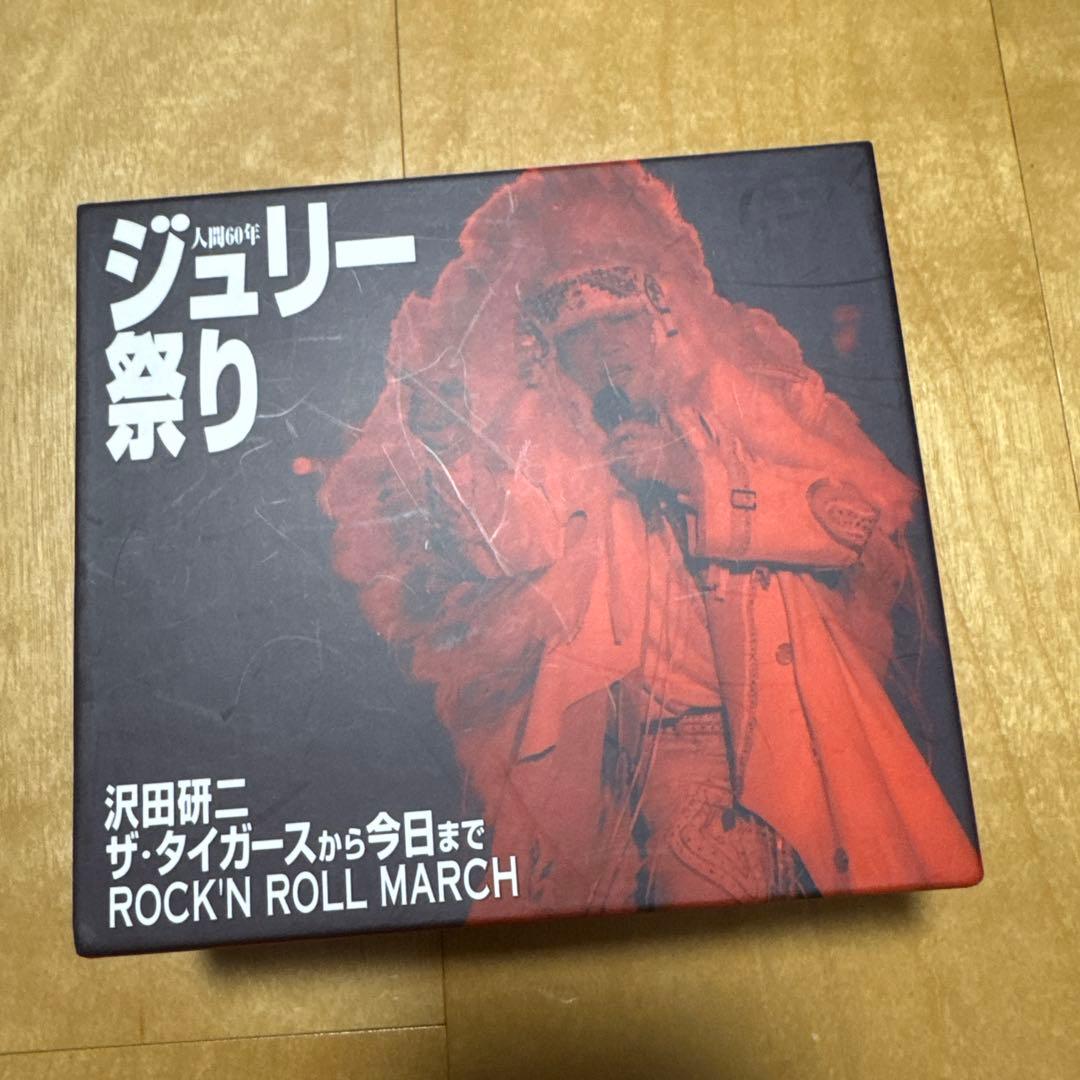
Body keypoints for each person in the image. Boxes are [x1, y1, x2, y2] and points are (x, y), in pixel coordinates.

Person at [308, 161, 982, 919]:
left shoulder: (732, 420)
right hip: (652, 762)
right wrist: (448, 448)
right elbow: (502, 547)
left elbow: (857, 519)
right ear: (554, 355)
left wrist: (697, 481)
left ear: (657, 320)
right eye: (581, 335)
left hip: (780, 738)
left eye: (619, 323)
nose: (607, 350)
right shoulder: (566, 460)